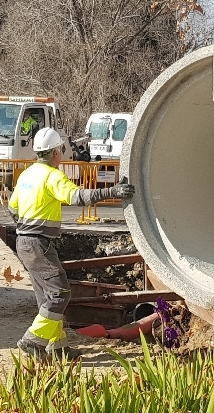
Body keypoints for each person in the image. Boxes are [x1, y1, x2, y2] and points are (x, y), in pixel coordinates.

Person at [9, 127, 135, 360]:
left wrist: (25, 229)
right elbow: (78, 197)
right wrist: (114, 191)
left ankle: (57, 348)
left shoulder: (26, 174)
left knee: (46, 299)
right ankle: (33, 339)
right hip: (39, 244)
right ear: (57, 152)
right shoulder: (52, 176)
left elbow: (12, 207)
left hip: (24, 242)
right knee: (60, 294)